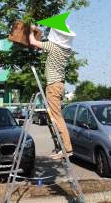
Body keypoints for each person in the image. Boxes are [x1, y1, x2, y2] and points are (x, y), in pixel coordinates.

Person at [29, 24, 76, 159]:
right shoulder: (66, 49)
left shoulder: (53, 46)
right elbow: (41, 46)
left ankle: (67, 149)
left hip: (53, 86)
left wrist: (32, 30)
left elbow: (32, 42)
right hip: (59, 85)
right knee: (56, 117)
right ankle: (63, 147)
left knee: (57, 117)